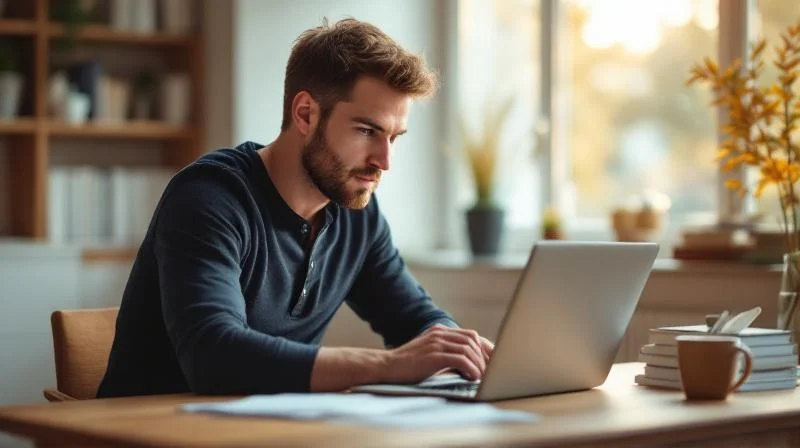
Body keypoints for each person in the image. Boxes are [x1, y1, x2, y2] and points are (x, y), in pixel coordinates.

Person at [97, 18, 494, 398]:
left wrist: (457, 352)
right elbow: (212, 354)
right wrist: (387, 365)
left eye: (394, 137)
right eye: (367, 131)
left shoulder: (358, 213)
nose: (384, 161)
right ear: (305, 114)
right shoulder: (209, 198)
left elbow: (418, 321)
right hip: (151, 432)